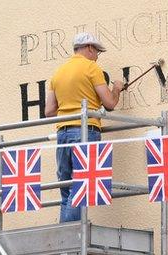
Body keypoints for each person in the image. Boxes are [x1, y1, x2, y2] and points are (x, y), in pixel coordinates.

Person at [45, 32, 124, 222]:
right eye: (97, 51)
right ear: (89, 48)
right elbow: (110, 104)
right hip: (85, 130)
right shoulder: (91, 68)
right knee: (81, 186)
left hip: (63, 132)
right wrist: (117, 88)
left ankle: (65, 236)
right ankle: (72, 235)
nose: (97, 56)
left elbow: (49, 111)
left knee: (67, 187)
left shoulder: (58, 73)